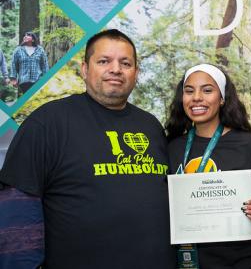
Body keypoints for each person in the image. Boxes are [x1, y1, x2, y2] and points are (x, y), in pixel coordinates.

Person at [0, 29, 176, 268]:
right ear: (84, 69)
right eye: (104, 61)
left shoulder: (151, 126)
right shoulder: (47, 123)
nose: (115, 69)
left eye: (125, 63)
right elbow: (16, 220)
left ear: (136, 73)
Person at [165, 64, 251, 269]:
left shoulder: (247, 143)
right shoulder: (172, 147)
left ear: (222, 98)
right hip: (190, 262)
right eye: (189, 90)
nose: (197, 97)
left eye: (207, 90)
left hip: (244, 262)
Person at [9, 32, 49, 96]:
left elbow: (44, 65)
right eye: (24, 35)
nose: (25, 36)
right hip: (24, 81)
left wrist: (46, 78)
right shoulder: (18, 50)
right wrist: (13, 79)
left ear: (33, 39)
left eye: (28, 35)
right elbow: (13, 65)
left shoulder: (40, 50)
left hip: (37, 80)